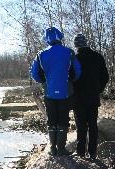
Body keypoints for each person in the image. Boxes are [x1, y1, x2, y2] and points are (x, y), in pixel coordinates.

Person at [31, 27, 81, 156]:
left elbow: (34, 74)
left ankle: (53, 148)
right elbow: (78, 71)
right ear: (60, 37)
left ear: (47, 39)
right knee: (63, 120)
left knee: (52, 120)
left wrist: (44, 82)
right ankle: (61, 149)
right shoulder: (69, 52)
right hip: (65, 92)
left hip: (49, 92)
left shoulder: (40, 54)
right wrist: (71, 80)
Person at [72, 33, 109, 159]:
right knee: (93, 126)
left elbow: (70, 79)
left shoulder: (74, 59)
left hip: (78, 99)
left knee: (81, 127)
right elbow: (105, 77)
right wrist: (98, 89)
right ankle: (92, 153)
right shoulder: (98, 57)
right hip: (93, 97)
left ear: (76, 45)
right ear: (86, 43)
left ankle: (80, 153)